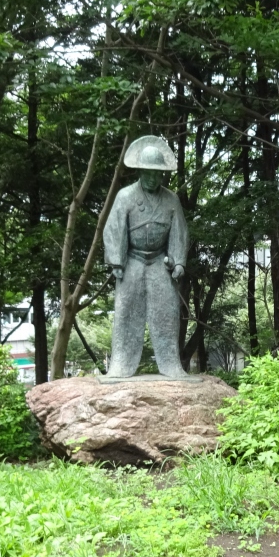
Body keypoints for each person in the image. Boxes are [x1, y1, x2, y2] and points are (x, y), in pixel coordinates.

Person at [102, 137, 189, 378]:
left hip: (159, 261)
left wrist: (178, 261)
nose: (152, 178)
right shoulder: (125, 196)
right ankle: (121, 364)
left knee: (168, 310)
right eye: (148, 173)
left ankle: (171, 364)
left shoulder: (171, 199)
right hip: (132, 260)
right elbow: (114, 228)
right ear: (140, 171)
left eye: (157, 174)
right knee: (126, 309)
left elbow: (179, 231)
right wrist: (116, 261)